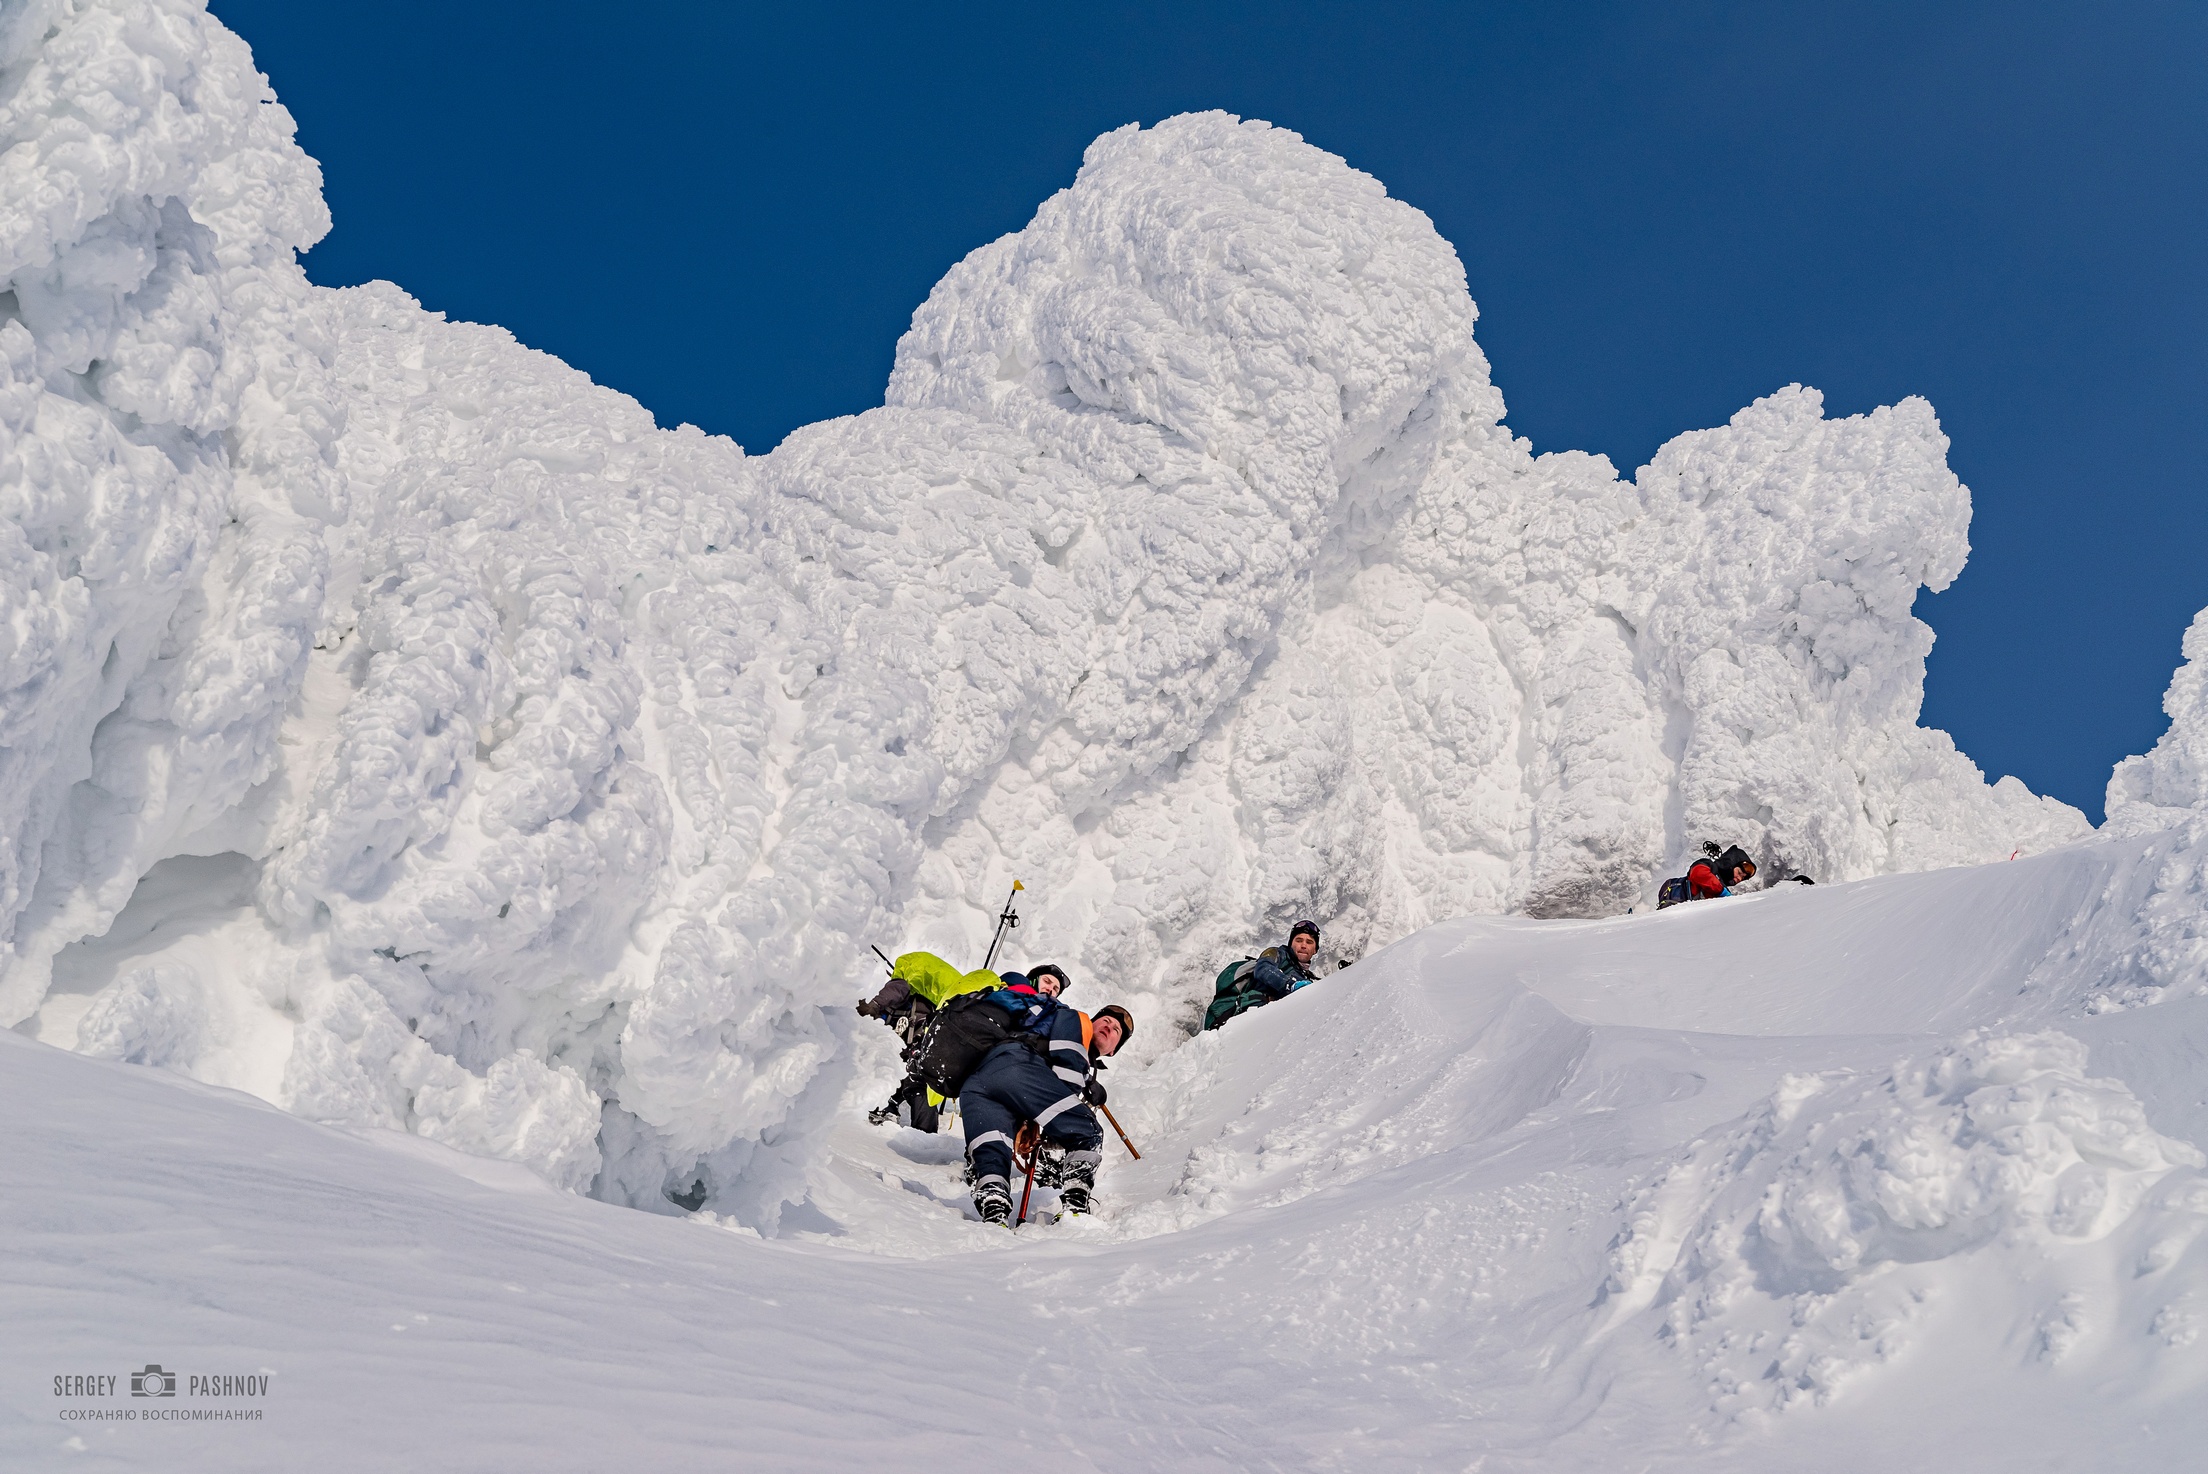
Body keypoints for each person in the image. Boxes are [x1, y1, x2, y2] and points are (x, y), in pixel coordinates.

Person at [961, 1000, 1134, 1224]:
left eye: (1116, 1031)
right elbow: (1067, 1071)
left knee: (991, 1146)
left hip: (975, 1083)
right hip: (1016, 1068)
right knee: (1086, 1131)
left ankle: (994, 1213)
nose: (1109, 1027)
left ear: (1112, 1051)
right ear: (1091, 1023)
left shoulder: (1047, 1028)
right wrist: (1080, 1090)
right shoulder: (1076, 1019)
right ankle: (1075, 1208)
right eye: (1106, 1020)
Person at [1203, 920, 1324, 1031]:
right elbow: (1263, 968)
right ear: (1291, 943)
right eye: (1298, 940)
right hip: (1232, 1016)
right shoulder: (1277, 954)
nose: (1303, 945)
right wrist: (1289, 985)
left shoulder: (1305, 978)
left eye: (1309, 942)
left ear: (1315, 949)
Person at [1656, 845, 1757, 909]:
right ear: (1730, 864)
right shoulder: (1709, 865)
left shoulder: (1723, 888)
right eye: (1739, 872)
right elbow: (1699, 874)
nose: (1739, 878)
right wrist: (1722, 892)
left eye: (1743, 878)